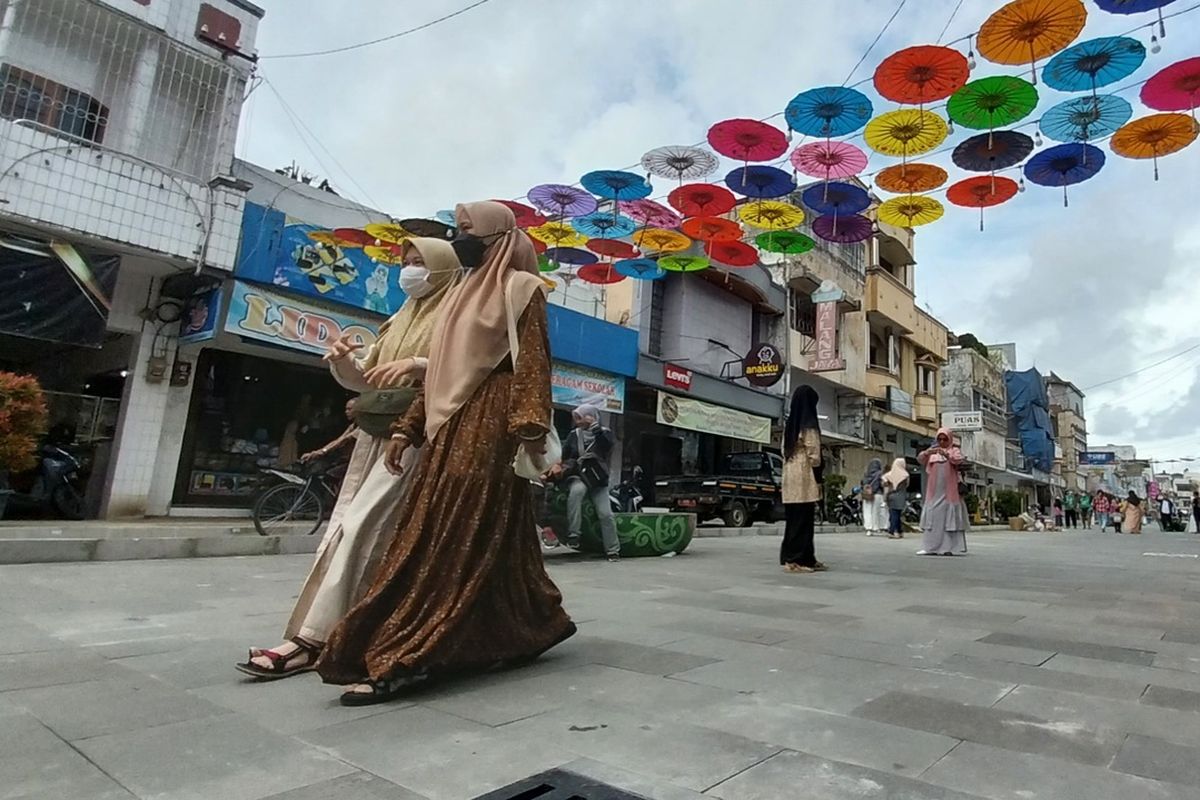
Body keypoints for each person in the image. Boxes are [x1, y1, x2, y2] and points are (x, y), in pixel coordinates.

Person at [316, 201, 575, 705]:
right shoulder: (459, 296)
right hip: (447, 429)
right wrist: (408, 429)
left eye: (467, 231)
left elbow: (533, 364)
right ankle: (532, 624)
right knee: (491, 540)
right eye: (457, 231)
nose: (460, 240)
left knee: (447, 538)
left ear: (497, 237)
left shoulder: (521, 289)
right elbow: (440, 374)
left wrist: (527, 428)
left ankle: (410, 655)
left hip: (493, 430)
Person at [235, 237, 462, 680]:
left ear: (444, 268)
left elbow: (470, 372)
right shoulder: (398, 319)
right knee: (346, 529)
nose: (411, 271)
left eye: (421, 263)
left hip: (415, 438)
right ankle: (328, 636)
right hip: (375, 438)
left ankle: (314, 641)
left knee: (363, 529)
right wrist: (343, 362)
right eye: (408, 262)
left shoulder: (458, 317)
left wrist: (420, 364)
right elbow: (365, 381)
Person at [551, 404, 619, 560]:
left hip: (597, 479)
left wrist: (595, 428)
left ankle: (613, 549)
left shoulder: (605, 433)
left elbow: (606, 447)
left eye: (580, 416)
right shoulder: (574, 435)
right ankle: (574, 534)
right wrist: (559, 465)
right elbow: (565, 454)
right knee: (576, 492)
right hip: (579, 476)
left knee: (606, 514)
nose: (577, 420)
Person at [780, 385, 825, 573]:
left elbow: (783, 450)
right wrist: (820, 472)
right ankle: (796, 560)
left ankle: (804, 557)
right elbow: (814, 454)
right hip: (804, 474)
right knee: (804, 519)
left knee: (794, 519)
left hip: (789, 473)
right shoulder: (809, 425)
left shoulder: (790, 425)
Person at [916, 428, 968, 556]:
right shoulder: (932, 452)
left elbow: (958, 460)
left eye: (945, 439)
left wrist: (946, 455)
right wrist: (928, 452)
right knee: (932, 518)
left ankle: (947, 548)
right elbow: (920, 459)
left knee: (948, 520)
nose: (942, 442)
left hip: (949, 492)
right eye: (939, 439)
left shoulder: (954, 451)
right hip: (934, 492)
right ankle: (930, 547)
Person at [883, 457, 909, 540]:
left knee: (893, 514)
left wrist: (885, 496)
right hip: (901, 496)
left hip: (891, 496)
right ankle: (897, 531)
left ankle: (894, 531)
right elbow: (907, 485)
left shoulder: (888, 475)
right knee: (897, 514)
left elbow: (885, 486)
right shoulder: (906, 475)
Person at [861, 458, 885, 536]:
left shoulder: (866, 473)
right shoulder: (880, 473)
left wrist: (868, 490)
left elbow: (862, 483)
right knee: (876, 512)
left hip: (867, 494)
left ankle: (868, 528)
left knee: (867, 511)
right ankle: (876, 528)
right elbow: (881, 484)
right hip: (877, 494)